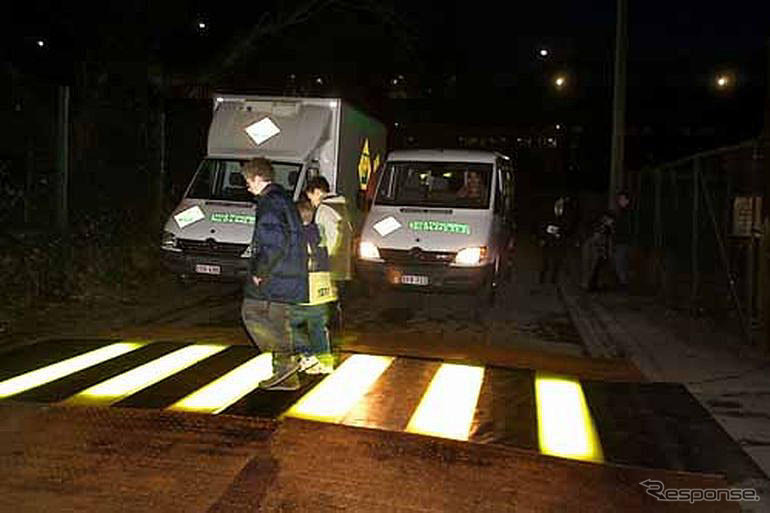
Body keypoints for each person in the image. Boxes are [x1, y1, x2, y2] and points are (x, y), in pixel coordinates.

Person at [240, 158, 308, 391]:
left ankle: (288, 360)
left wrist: (260, 271)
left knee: (252, 313)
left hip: (276, 276)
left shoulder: (269, 203)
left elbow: (274, 242)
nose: (247, 187)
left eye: (247, 181)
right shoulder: (283, 199)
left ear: (258, 179)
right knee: (278, 322)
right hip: (289, 274)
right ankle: (287, 377)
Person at [290, 199, 336, 375]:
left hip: (304, 287)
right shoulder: (320, 231)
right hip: (323, 288)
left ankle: (307, 353)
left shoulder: (296, 235)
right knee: (317, 327)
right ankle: (325, 363)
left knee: (284, 325)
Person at [305, 176, 353, 331]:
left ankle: (329, 331)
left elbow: (324, 238)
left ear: (317, 192)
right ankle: (336, 330)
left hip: (330, 262)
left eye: (310, 196)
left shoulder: (324, 209)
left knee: (327, 300)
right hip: (344, 262)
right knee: (337, 299)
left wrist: (320, 259)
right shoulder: (343, 205)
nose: (311, 201)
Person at [538, 197, 572, 284]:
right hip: (549, 241)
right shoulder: (549, 214)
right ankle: (542, 278)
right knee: (546, 261)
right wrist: (543, 237)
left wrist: (560, 233)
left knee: (557, 260)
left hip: (558, 242)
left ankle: (553, 278)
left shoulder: (565, 215)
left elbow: (566, 228)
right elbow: (544, 226)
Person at [581, 211, 615, 292]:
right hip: (592, 247)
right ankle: (586, 284)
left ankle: (590, 284)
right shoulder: (599, 226)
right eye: (610, 220)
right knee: (589, 266)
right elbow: (596, 239)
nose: (611, 222)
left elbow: (606, 240)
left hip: (596, 248)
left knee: (594, 267)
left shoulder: (607, 228)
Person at [613, 191, 633, 289]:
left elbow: (624, 227)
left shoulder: (627, 213)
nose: (620, 201)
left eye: (622, 199)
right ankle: (623, 282)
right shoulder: (621, 212)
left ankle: (623, 283)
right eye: (619, 199)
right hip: (620, 240)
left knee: (620, 261)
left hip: (623, 241)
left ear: (627, 201)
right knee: (621, 262)